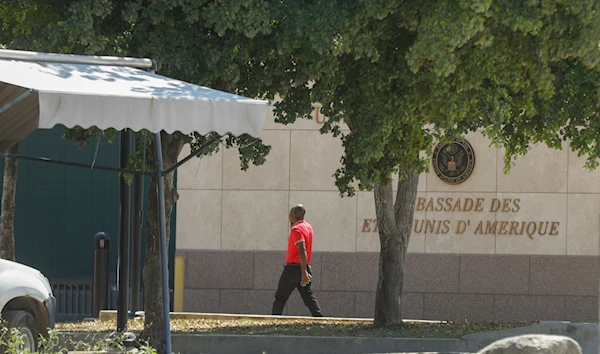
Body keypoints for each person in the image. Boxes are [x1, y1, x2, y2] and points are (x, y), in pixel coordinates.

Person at [271, 204, 323, 317]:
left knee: (280, 297)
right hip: (304, 267)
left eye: (290, 214)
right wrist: (305, 270)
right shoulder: (308, 227)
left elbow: (302, 248)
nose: (289, 217)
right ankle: (319, 318)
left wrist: (303, 272)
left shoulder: (296, 229)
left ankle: (273, 320)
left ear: (295, 214)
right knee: (308, 296)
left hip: (293, 270)